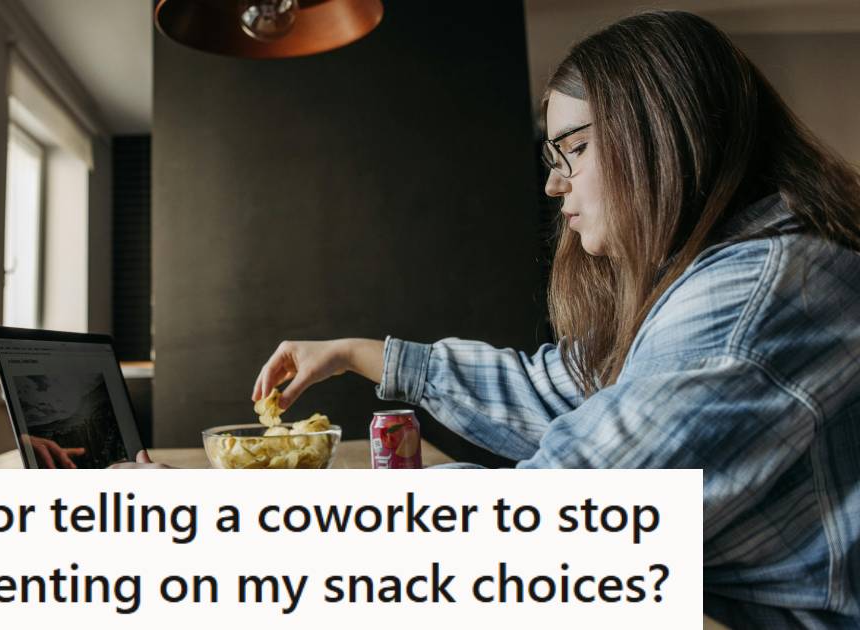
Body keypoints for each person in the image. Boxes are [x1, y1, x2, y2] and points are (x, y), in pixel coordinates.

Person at [246, 11, 860, 628]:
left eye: (576, 148)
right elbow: (557, 390)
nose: (552, 185)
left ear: (663, 131)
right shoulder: (711, 277)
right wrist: (356, 352)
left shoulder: (754, 298)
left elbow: (561, 513)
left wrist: (240, 522)